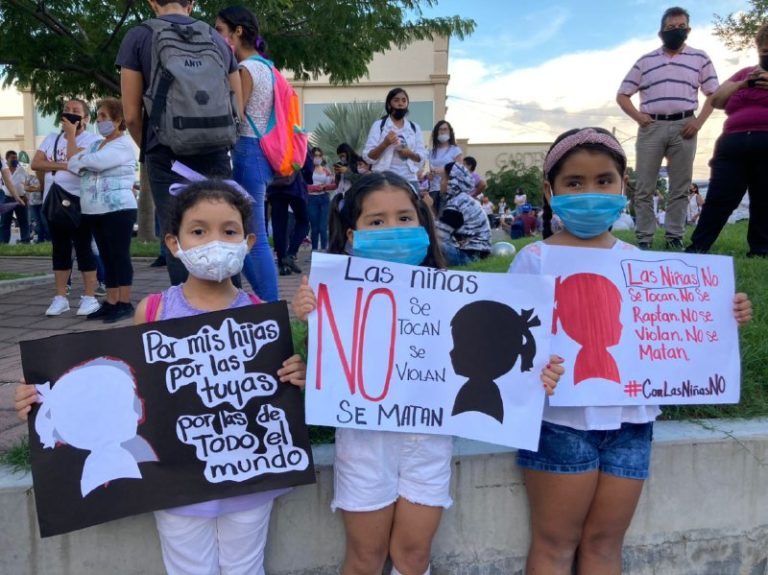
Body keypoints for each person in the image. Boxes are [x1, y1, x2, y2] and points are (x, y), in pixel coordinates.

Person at [16, 178, 308, 575]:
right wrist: (45, 397)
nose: (213, 242)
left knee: (246, 567)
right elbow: (109, 377)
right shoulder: (153, 311)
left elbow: (279, 383)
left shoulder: (260, 315)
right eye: (199, 231)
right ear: (174, 243)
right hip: (175, 486)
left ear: (248, 242)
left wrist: (295, 374)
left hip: (249, 482)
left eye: (229, 231)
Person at [292, 171, 564, 575]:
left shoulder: (455, 297)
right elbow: (331, 367)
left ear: (424, 224)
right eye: (377, 221)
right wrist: (308, 327)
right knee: (365, 558)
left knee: (414, 557)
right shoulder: (333, 297)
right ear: (352, 235)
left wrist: (535, 375)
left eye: (405, 218)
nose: (393, 229)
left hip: (429, 442)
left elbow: (499, 357)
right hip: (364, 441)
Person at [508, 127, 752, 575]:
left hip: (632, 423)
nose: (590, 193)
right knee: (556, 543)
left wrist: (724, 311)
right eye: (574, 183)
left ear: (624, 186)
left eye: (604, 181)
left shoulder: (643, 262)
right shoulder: (534, 260)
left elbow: (684, 325)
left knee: (604, 543)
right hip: (559, 423)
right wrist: (534, 368)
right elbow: (510, 343)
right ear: (550, 191)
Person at [118, 0, 242, 286]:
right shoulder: (215, 37)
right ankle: (233, 315)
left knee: (181, 238)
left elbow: (132, 116)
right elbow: (237, 106)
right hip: (216, 150)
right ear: (192, 3)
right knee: (223, 232)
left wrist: (150, 147)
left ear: (152, 2)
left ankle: (190, 320)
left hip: (165, 153)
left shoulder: (139, 36)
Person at [617, 6, 718, 250]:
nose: (676, 31)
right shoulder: (646, 61)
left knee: (680, 187)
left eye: (680, 27)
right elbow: (622, 95)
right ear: (661, 31)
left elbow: (714, 94)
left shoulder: (700, 58)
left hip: (686, 125)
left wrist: (698, 121)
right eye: (670, 27)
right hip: (652, 126)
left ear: (688, 30)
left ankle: (674, 236)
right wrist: (639, 118)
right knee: (644, 187)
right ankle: (644, 238)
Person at [687, 22, 768, 258]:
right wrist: (743, 84)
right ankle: (698, 246)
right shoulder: (744, 73)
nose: (765, 53)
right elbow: (717, 100)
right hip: (733, 142)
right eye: (762, 49)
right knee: (720, 196)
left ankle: (761, 250)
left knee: (764, 198)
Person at [215, 5, 279, 301]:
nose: (217, 36)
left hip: (247, 150)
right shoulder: (267, 66)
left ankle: (270, 305)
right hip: (262, 154)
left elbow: (236, 115)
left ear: (237, 31)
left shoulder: (245, 69)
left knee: (253, 238)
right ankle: (265, 302)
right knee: (253, 235)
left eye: (220, 30)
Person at [67, 98, 138, 323]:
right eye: (98, 117)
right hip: (94, 209)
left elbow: (97, 163)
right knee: (106, 257)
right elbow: (72, 163)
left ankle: (125, 303)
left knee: (119, 256)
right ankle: (111, 301)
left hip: (118, 209)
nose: (99, 122)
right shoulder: (96, 144)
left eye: (104, 117)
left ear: (118, 120)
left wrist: (85, 162)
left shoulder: (124, 144)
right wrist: (85, 161)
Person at [31, 99, 102, 317]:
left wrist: (71, 135)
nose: (70, 114)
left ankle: (90, 297)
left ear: (86, 118)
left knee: (83, 247)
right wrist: (63, 166)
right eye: (67, 110)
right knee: (59, 249)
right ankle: (60, 297)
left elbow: (78, 162)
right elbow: (36, 163)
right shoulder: (51, 138)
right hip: (55, 201)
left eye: (76, 111)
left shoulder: (93, 139)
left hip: (81, 201)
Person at [363, 88, 427, 189]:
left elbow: (422, 157)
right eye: (396, 100)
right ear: (389, 105)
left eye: (404, 100)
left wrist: (409, 153)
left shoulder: (414, 128)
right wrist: (385, 144)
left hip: (409, 180)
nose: (400, 103)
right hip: (384, 179)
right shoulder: (379, 126)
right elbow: (368, 158)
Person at [435, 162, 491, 265]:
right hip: (478, 253)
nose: (440, 183)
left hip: (469, 257)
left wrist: (427, 208)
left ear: (452, 182)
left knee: (430, 243)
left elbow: (438, 235)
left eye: (443, 179)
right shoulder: (464, 199)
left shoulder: (456, 204)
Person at [269, 149, 311, 276]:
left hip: (274, 187)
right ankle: (291, 255)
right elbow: (307, 163)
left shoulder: (269, 138)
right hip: (295, 187)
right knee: (303, 222)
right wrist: (307, 178)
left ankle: (282, 265)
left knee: (279, 226)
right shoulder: (297, 137)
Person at [427, 120, 463, 211]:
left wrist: (445, 170)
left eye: (445, 129)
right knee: (433, 218)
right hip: (433, 190)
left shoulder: (455, 150)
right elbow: (426, 169)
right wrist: (428, 175)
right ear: (436, 132)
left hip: (448, 189)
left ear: (450, 132)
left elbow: (460, 170)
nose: (443, 131)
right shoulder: (430, 152)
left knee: (444, 219)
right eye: (440, 129)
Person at [307, 146, 336, 251]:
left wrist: (325, 187)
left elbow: (334, 185)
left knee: (323, 227)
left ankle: (324, 249)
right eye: (315, 155)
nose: (317, 158)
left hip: (324, 198)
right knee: (314, 228)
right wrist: (315, 188)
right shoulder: (307, 170)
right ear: (311, 156)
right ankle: (314, 250)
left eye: (319, 155)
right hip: (312, 199)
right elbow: (304, 186)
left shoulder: (326, 170)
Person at [0, 150, 29, 243]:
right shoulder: (3, 170)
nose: (15, 160)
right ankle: (4, 243)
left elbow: (26, 183)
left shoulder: (21, 169)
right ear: (7, 159)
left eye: (16, 158)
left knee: (24, 221)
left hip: (21, 197)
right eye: (12, 158)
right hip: (7, 198)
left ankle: (25, 242)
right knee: (5, 222)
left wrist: (26, 195)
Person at [24, 172, 46, 243]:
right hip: (33, 203)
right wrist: (36, 189)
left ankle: (49, 240)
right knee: (38, 223)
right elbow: (26, 187)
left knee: (45, 222)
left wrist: (32, 188)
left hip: (43, 202)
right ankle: (40, 240)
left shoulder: (45, 174)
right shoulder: (30, 175)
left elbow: (43, 188)